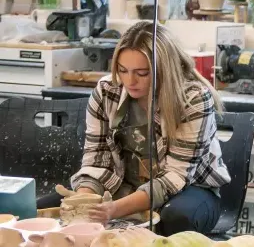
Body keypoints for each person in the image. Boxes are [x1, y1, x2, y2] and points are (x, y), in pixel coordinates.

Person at [40, 21, 228, 235]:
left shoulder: (192, 99)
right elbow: (95, 158)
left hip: (189, 191)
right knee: (42, 209)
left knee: (175, 217)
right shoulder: (106, 92)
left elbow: (175, 177)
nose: (130, 81)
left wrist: (113, 210)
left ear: (163, 69)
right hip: (123, 187)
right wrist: (86, 199)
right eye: (123, 70)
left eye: (142, 73)